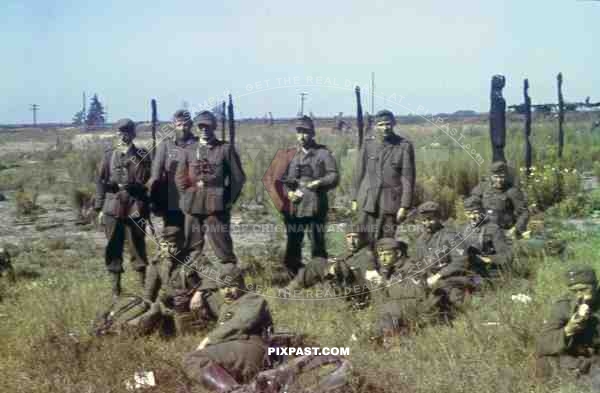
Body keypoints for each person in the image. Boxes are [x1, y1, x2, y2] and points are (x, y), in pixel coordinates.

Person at [182, 265, 273, 392]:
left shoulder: (253, 299)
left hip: (250, 347)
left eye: (231, 285)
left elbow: (241, 322)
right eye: (223, 287)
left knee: (193, 359)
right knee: (194, 361)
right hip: (237, 350)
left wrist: (209, 339)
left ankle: (233, 391)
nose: (227, 291)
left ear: (241, 283)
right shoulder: (226, 306)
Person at [175, 111, 246, 268]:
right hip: (192, 205)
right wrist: (186, 196)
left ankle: (232, 284)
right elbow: (180, 177)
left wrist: (227, 201)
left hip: (216, 207)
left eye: (207, 126)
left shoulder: (225, 149)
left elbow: (238, 178)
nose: (204, 130)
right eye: (201, 126)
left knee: (223, 248)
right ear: (197, 128)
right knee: (192, 248)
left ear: (214, 127)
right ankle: (195, 285)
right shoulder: (188, 149)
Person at [145, 109, 198, 301]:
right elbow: (155, 177)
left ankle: (188, 286)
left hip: (195, 205)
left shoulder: (199, 146)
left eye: (185, 124)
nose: (182, 128)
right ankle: (160, 292)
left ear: (191, 125)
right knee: (170, 246)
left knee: (192, 246)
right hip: (172, 206)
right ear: (173, 125)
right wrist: (152, 201)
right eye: (178, 125)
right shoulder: (165, 146)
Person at [95, 119, 151, 297]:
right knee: (113, 247)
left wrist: (148, 206)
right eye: (119, 133)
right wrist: (100, 208)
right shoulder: (109, 155)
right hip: (112, 208)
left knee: (137, 247)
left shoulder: (142, 154)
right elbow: (100, 182)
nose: (122, 136)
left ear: (133, 134)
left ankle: (145, 290)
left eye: (126, 132)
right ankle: (115, 291)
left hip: (135, 207)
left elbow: (149, 182)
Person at [280, 116, 339, 277]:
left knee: (317, 242)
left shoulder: (323, 153)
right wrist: (289, 193)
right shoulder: (290, 154)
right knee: (293, 242)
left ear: (312, 133)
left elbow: (334, 176)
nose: (302, 136)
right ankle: (293, 275)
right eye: (299, 132)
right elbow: (282, 180)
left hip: (316, 206)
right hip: (295, 207)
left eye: (305, 132)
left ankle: (320, 275)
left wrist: (319, 182)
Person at [351, 109, 415, 246]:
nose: (385, 127)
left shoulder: (403, 146)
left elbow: (408, 179)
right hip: (367, 200)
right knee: (363, 239)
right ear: (375, 126)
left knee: (386, 241)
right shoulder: (368, 143)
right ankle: (368, 266)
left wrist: (404, 205)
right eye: (381, 124)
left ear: (393, 124)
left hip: (390, 202)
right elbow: (359, 172)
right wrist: (355, 198)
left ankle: (385, 267)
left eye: (388, 124)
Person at [283, 222, 377, 308]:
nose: (351, 241)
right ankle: (289, 291)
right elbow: (340, 261)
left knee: (325, 265)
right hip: (340, 287)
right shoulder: (350, 253)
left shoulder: (367, 255)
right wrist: (332, 264)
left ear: (362, 238)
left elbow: (368, 278)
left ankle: (290, 292)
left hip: (354, 294)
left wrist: (338, 267)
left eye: (355, 237)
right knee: (317, 262)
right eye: (349, 237)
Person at [536, 266, 600, 390]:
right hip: (578, 357)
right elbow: (543, 343)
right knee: (544, 361)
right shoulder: (563, 306)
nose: (579, 296)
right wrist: (568, 330)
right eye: (574, 291)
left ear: (596, 285)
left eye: (583, 289)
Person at [458, 196, 512, 281]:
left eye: (475, 212)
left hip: (489, 272)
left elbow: (506, 256)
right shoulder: (462, 229)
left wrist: (487, 259)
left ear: (482, 211)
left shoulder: (493, 229)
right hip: (469, 270)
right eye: (468, 213)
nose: (472, 217)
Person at [471, 161, 529, 239]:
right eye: (495, 176)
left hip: (504, 232)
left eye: (502, 176)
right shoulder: (483, 187)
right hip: (483, 230)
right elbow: (472, 201)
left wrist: (516, 230)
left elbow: (524, 213)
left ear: (506, 176)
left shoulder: (512, 191)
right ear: (491, 176)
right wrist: (474, 215)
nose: (499, 180)